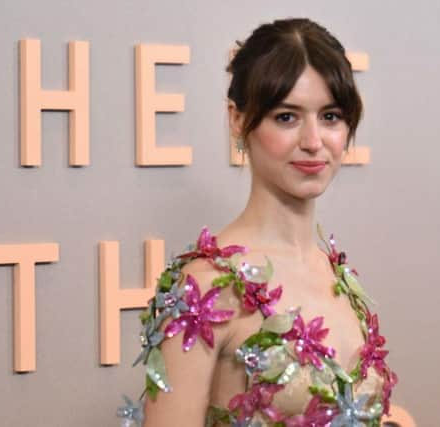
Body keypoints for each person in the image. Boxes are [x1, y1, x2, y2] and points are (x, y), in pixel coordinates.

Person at [117, 17, 398, 427]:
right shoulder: (207, 287)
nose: (313, 141)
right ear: (237, 119)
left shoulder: (339, 277)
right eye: (287, 116)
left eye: (331, 116)